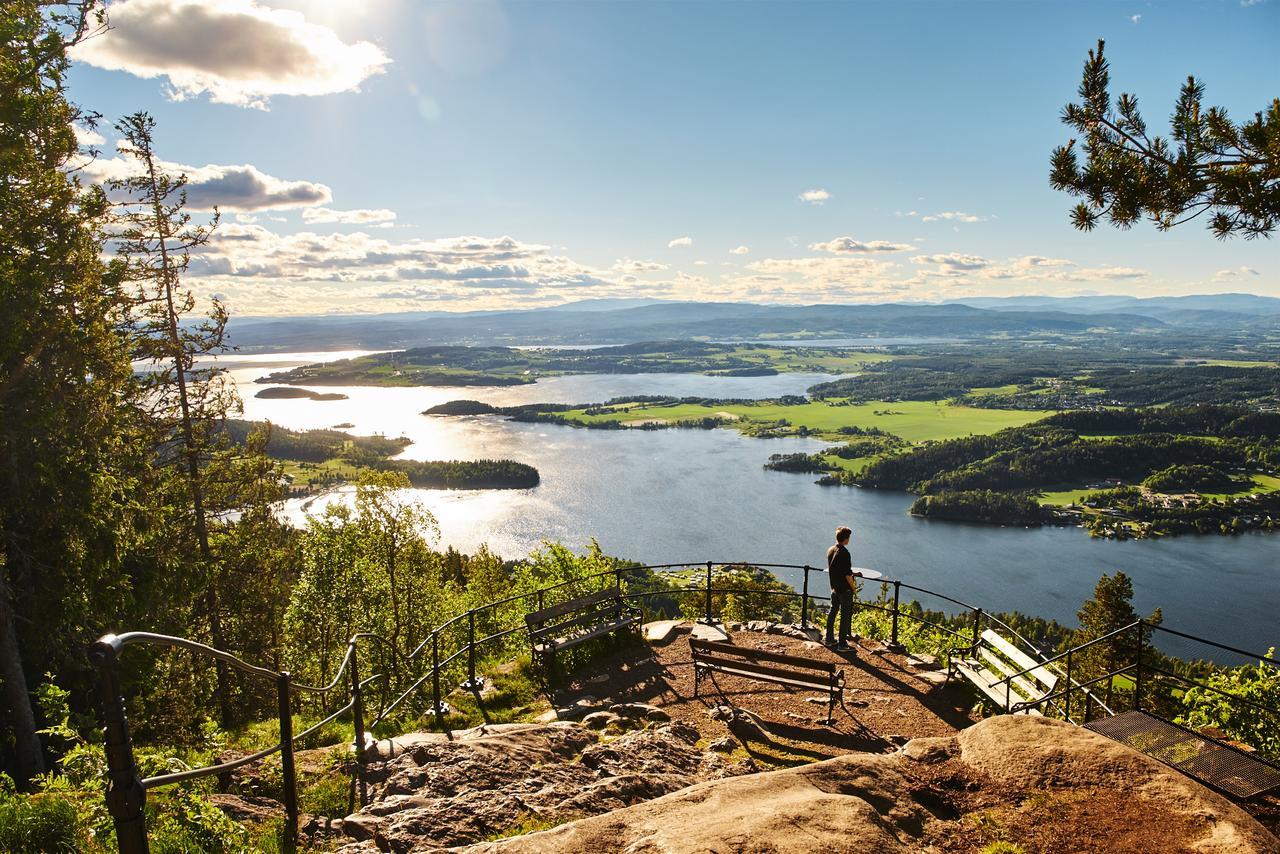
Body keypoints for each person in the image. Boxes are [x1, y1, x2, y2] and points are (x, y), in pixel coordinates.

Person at [825, 526, 857, 651]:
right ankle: (842, 644)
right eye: (849, 537)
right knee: (844, 615)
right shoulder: (845, 553)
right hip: (844, 589)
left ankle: (829, 639)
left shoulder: (831, 550)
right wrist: (853, 588)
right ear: (845, 538)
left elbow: (836, 569)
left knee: (833, 612)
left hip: (834, 588)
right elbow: (847, 575)